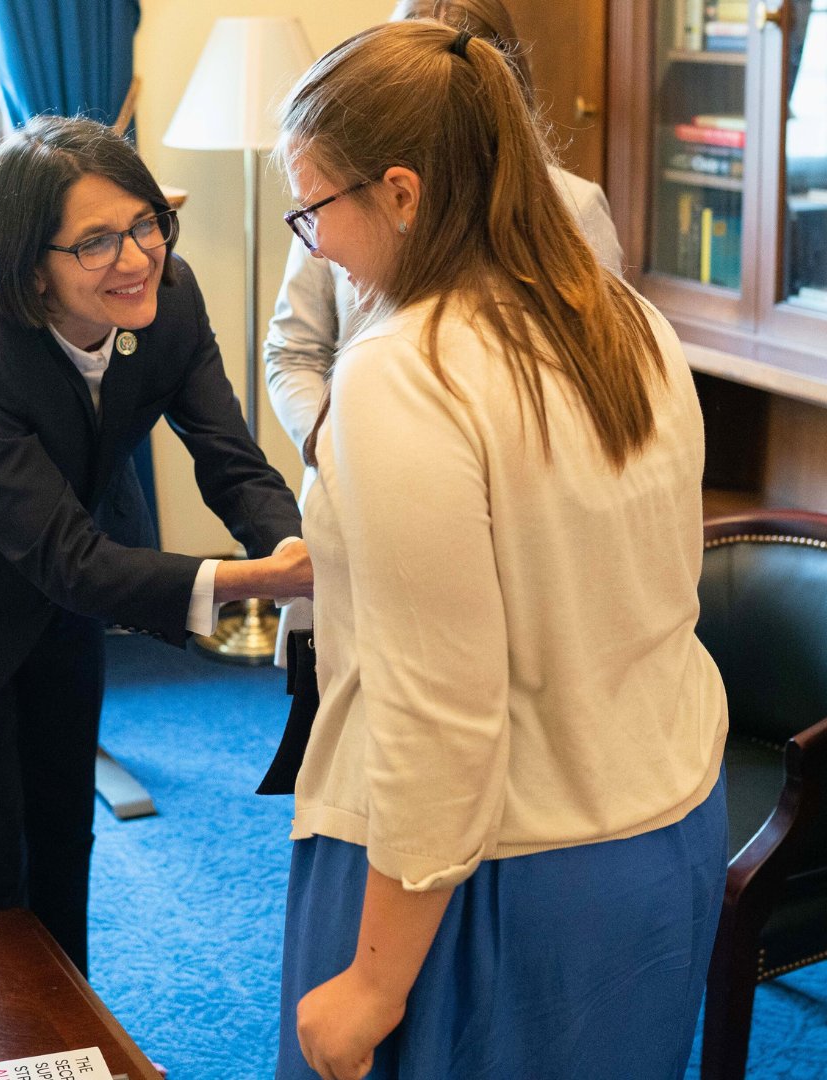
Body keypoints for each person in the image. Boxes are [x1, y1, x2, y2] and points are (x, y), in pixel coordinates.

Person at [273, 20, 728, 1080]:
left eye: (313, 210)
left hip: (489, 871)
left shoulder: (404, 371)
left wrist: (375, 986)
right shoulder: (618, 315)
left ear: (400, 191)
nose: (315, 248)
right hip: (657, 831)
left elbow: (441, 707)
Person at [0, 114, 311, 976]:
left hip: (67, 605)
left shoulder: (168, 297)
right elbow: (64, 552)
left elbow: (230, 460)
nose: (135, 257)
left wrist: (295, 550)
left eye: (145, 223)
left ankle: (69, 1041)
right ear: (32, 263)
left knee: (65, 831)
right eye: (96, 241)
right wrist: (262, 579)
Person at [263, 0, 624, 665]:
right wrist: (337, 447)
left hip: (508, 546)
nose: (317, 243)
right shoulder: (334, 202)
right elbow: (292, 349)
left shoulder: (574, 213)